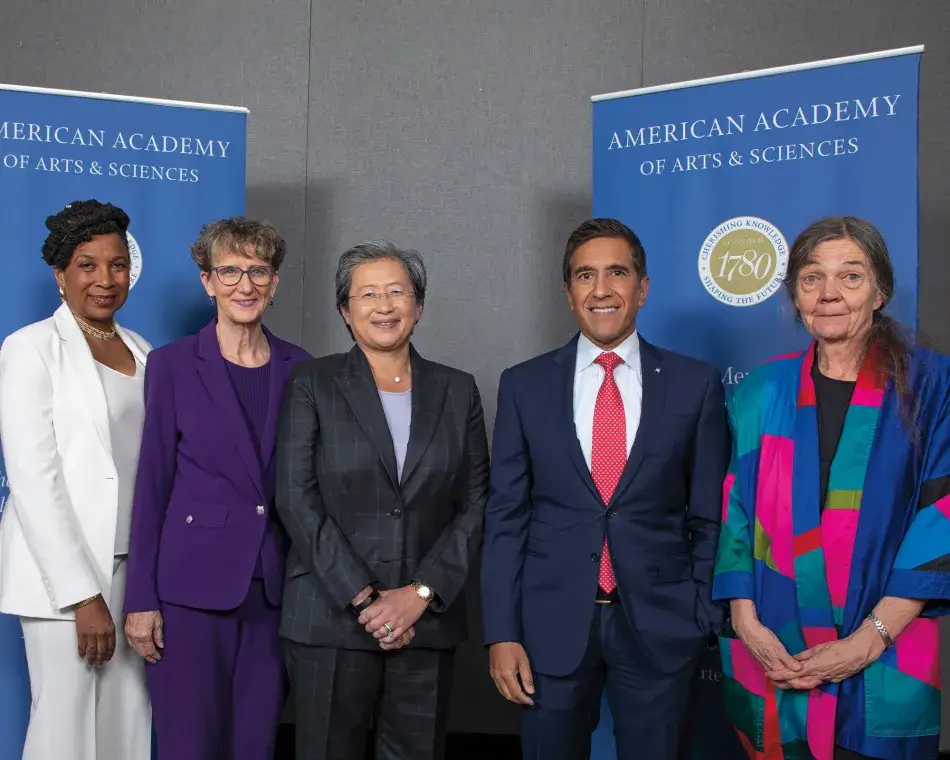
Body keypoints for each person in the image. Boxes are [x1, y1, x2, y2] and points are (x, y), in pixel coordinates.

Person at [481, 217, 730, 760]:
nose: (601, 289)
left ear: (642, 288)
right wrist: (501, 633)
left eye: (617, 273)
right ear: (568, 292)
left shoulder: (695, 384)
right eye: (585, 275)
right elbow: (505, 516)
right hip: (549, 626)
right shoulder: (523, 385)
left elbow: (710, 514)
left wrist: (701, 614)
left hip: (662, 624)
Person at [712, 216, 950, 760]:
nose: (829, 294)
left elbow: (943, 518)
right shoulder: (759, 391)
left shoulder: (933, 385)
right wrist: (746, 622)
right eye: (812, 278)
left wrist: (867, 641)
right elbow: (736, 514)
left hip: (888, 648)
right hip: (777, 648)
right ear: (795, 294)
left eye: (851, 276)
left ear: (880, 290)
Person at [275, 240, 489, 760]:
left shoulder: (457, 390)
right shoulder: (312, 382)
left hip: (425, 622)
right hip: (331, 617)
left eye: (398, 292)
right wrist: (367, 600)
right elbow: (296, 498)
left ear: (419, 306)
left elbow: (478, 500)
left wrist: (417, 595)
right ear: (346, 312)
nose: (385, 305)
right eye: (367, 294)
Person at [122, 218, 310, 760]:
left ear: (274, 283)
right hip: (189, 592)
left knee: (255, 742)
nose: (244, 285)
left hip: (275, 592)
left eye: (258, 271)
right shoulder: (172, 365)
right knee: (189, 744)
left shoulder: (304, 369)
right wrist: (141, 600)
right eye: (229, 271)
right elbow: (152, 484)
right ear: (207, 281)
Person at [0, 200, 152, 760]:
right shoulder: (30, 349)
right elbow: (33, 479)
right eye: (87, 265)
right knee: (63, 728)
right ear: (60, 275)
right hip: (62, 582)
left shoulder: (145, 353)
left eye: (117, 265)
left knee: (128, 724)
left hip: (134, 572)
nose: (105, 279)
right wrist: (83, 597)